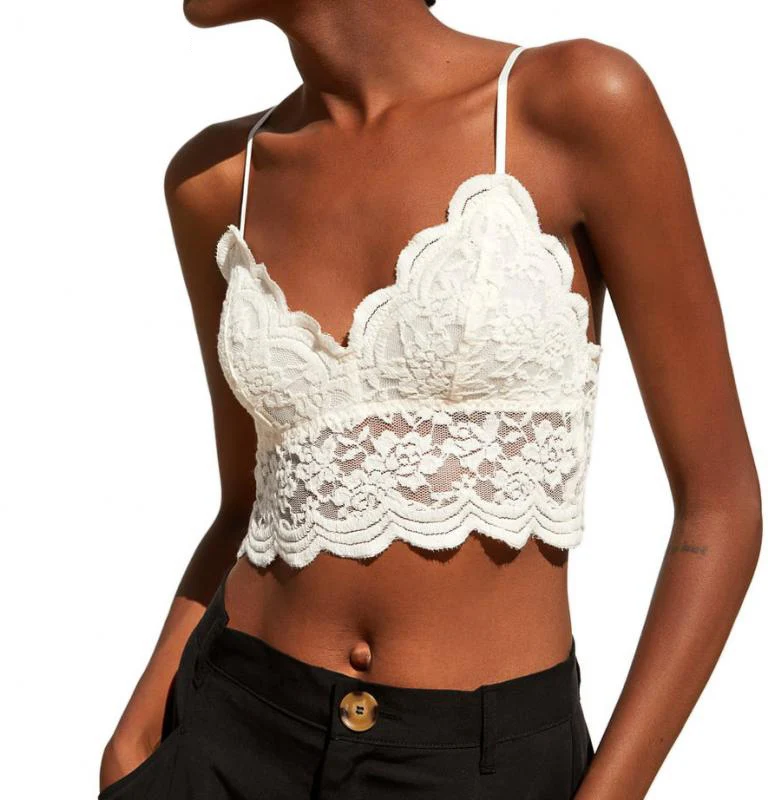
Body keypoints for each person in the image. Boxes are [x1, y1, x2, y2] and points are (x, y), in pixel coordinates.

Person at [99, 1, 762, 798]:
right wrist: (137, 735)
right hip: (235, 728)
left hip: (477, 762)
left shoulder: (575, 102)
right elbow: (251, 500)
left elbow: (720, 505)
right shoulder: (217, 180)